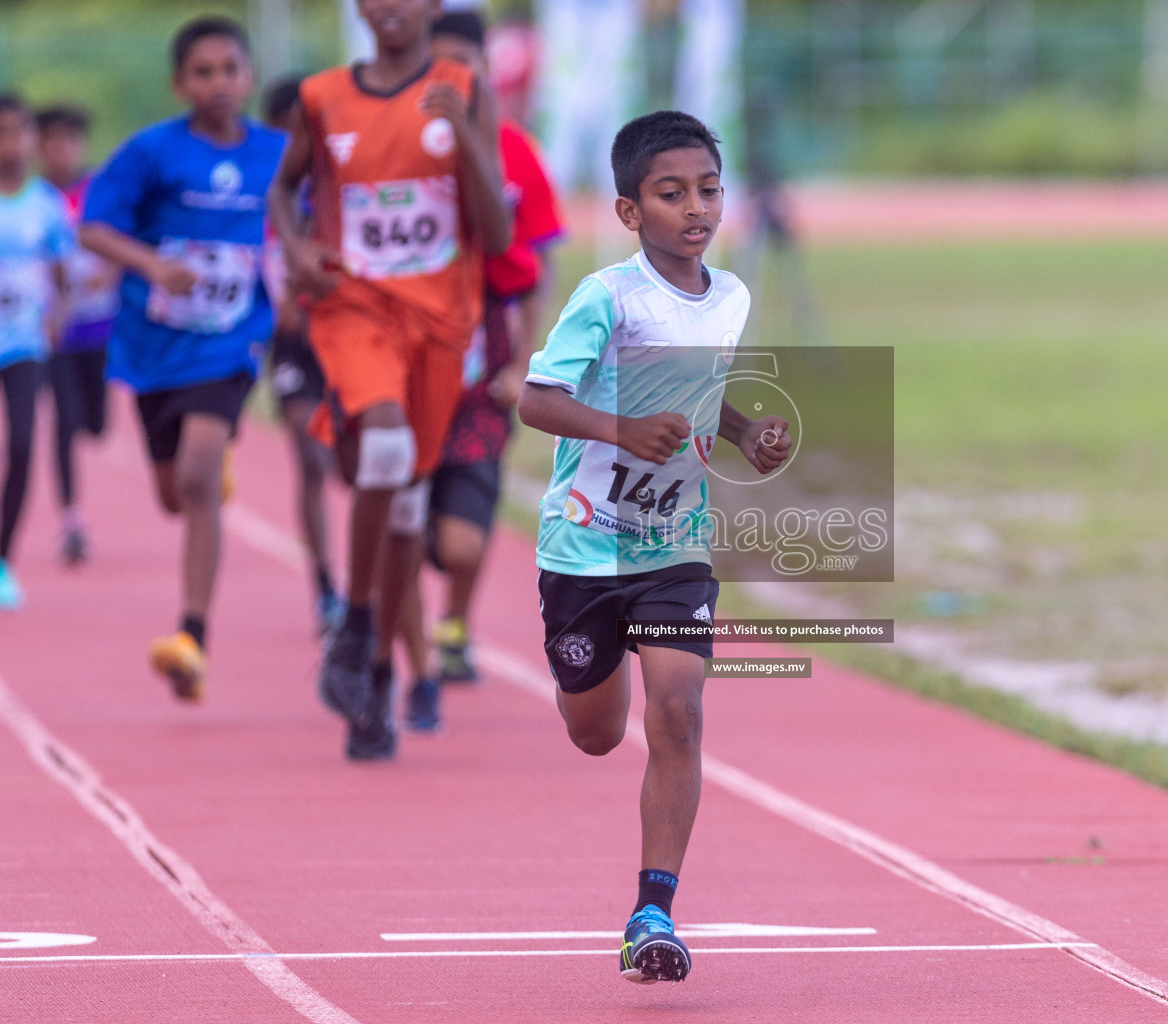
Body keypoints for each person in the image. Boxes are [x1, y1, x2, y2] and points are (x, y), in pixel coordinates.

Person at [517, 110, 791, 985]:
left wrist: (747, 435)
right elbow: (536, 399)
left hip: (675, 544)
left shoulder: (733, 296)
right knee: (596, 734)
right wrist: (619, 429)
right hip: (585, 545)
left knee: (679, 712)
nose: (696, 209)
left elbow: (699, 396)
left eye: (708, 190)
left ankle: (652, 913)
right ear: (631, 211)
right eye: (671, 195)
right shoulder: (606, 296)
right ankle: (585, 694)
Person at [268, 0, 509, 760]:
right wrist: (297, 251)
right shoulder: (321, 96)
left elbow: (496, 235)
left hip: (439, 325)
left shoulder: (464, 87)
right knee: (383, 450)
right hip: (355, 308)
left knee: (408, 499)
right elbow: (283, 191)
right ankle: (359, 620)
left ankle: (371, 676)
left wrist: (466, 137)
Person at [81, 17, 285, 699]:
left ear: (249, 76)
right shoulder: (151, 152)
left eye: (230, 68)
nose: (218, 83)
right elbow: (94, 227)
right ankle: (207, 463)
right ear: (179, 83)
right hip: (152, 348)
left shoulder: (280, 155)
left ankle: (191, 634)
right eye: (203, 72)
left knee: (197, 481)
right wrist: (151, 264)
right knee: (176, 496)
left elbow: (315, 217)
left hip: (229, 344)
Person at [398, 8, 566, 731]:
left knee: (460, 537)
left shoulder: (514, 154)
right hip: (400, 362)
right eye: (436, 66)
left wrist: (527, 357)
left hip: (483, 361)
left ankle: (455, 624)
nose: (451, 82)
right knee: (404, 522)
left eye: (464, 67)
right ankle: (394, 651)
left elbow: (537, 262)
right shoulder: (394, 143)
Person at [261, 75, 345, 636]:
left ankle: (368, 587)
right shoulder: (264, 187)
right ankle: (324, 589)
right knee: (310, 460)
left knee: (354, 464)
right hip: (292, 343)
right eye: (291, 126)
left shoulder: (342, 176)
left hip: (347, 336)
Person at [0, 93, 73, 610]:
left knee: (21, 446)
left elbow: (62, 276)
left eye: (19, 133)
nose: (11, 144)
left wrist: (56, 319)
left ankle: (0, 563)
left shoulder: (47, 205)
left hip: (23, 344)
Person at [37, 104, 119, 567]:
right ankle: (71, 518)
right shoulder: (33, 198)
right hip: (54, 331)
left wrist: (109, 270)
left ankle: (93, 421)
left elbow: (124, 238)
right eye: (50, 141)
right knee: (64, 424)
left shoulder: (100, 190)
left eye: (68, 140)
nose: (60, 150)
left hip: (98, 326)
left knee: (95, 424)